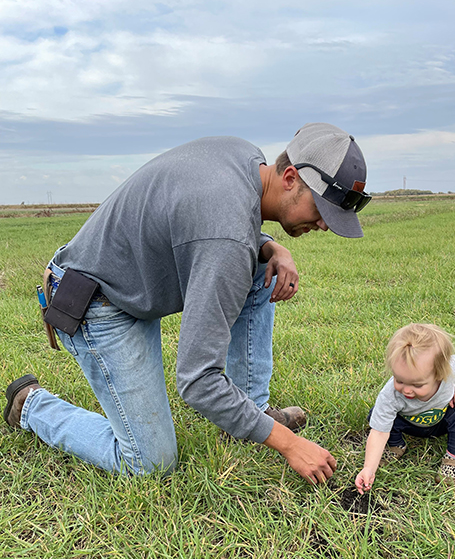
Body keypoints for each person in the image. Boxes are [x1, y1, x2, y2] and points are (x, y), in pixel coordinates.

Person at [3, 122, 370, 485]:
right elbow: (197, 380)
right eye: (322, 209)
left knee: (260, 269)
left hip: (125, 282)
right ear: (290, 177)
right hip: (98, 305)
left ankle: (249, 414)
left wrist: (268, 245)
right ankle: (31, 405)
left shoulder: (243, 155)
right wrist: (289, 444)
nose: (324, 224)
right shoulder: (225, 241)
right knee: (150, 462)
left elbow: (211, 217)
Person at [355, 323, 455, 490]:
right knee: (376, 415)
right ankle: (397, 444)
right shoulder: (390, 395)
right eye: (399, 380)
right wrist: (368, 468)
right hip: (409, 424)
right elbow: (378, 433)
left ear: (440, 373)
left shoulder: (451, 369)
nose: (406, 390)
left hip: (442, 422)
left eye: (417, 385)